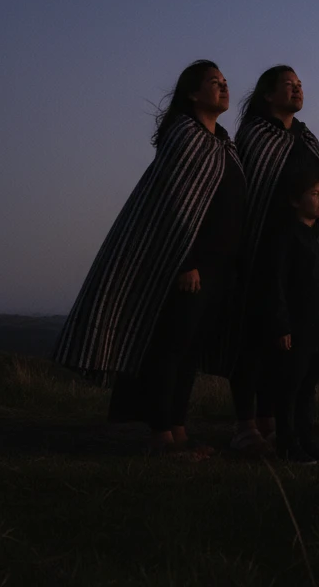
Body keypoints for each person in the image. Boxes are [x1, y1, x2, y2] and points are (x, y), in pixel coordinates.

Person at [53, 61, 248, 457]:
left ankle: (178, 429)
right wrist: (185, 260)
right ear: (192, 94)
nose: (224, 88)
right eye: (215, 83)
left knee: (190, 349)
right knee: (170, 345)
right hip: (185, 261)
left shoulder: (223, 144)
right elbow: (173, 204)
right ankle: (161, 435)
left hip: (217, 265)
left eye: (226, 82)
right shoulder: (184, 135)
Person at [230, 64, 319, 454]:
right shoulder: (254, 133)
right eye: (288, 85)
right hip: (261, 245)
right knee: (252, 337)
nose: (296, 90)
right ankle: (244, 425)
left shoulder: (307, 137)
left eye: (300, 84)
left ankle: (273, 420)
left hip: (301, 251)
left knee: (287, 341)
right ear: (268, 94)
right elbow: (248, 189)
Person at [261, 168, 319, 464]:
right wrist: (281, 325)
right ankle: (287, 443)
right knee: (290, 387)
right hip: (297, 329)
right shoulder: (286, 237)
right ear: (296, 200)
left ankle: (306, 440)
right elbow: (276, 283)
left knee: (309, 387)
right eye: (314, 194)